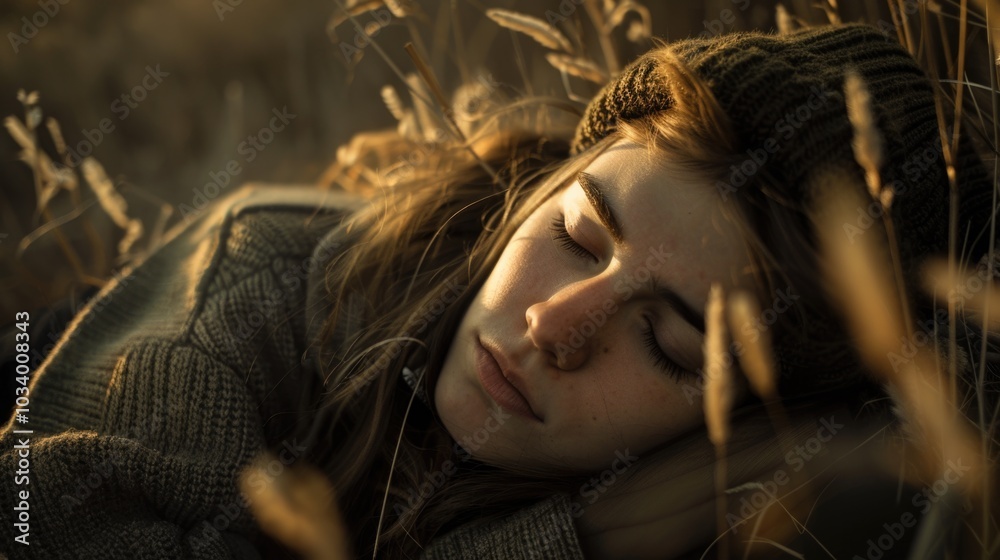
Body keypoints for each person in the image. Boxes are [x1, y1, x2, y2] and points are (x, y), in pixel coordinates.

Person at [1, 21, 997, 560]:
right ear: (543, 187)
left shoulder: (764, 513)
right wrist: (576, 536)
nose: (553, 323)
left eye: (671, 345)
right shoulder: (257, 277)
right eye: (574, 234)